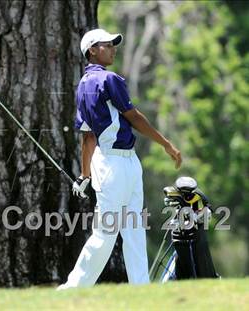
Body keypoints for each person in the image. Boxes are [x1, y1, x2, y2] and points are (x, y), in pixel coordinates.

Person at [58, 29, 182, 290]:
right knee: (106, 233)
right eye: (107, 45)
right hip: (115, 164)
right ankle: (72, 289)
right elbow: (133, 117)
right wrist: (166, 144)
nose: (113, 49)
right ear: (92, 50)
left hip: (117, 163)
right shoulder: (109, 79)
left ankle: (141, 290)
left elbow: (87, 137)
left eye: (114, 45)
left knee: (134, 228)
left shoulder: (82, 86)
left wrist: (85, 175)